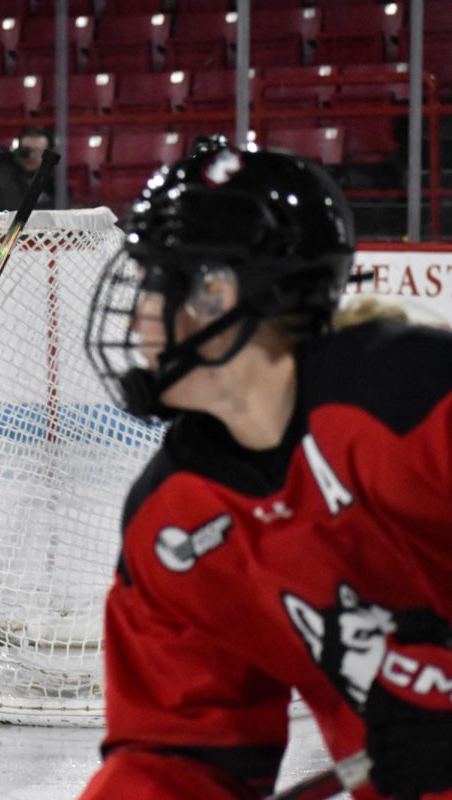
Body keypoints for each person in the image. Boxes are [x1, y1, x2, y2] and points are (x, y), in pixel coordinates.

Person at [80, 141, 452, 800]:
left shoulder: (414, 405)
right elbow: (178, 756)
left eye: (158, 280)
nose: (137, 314)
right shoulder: (176, 521)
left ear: (222, 293)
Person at [0, 127, 59, 212]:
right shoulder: (6, 172)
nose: (32, 156)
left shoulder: (55, 182)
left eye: (38, 151)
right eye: (27, 150)